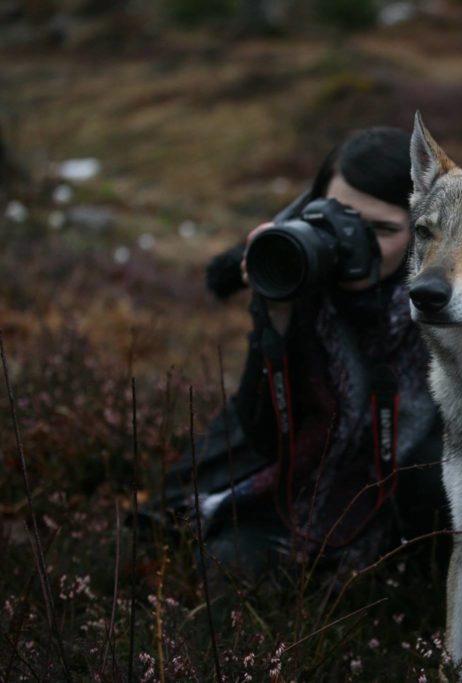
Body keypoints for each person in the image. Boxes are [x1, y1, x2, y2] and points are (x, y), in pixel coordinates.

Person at [160, 127, 447, 577]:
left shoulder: (449, 297)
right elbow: (262, 431)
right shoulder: (295, 269)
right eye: (335, 218)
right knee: (227, 566)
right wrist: (275, 313)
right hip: (288, 474)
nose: (350, 241)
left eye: (382, 229)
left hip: (402, 489)